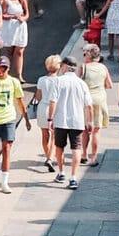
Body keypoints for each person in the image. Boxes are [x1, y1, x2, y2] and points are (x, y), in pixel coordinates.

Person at [0, 56, 30, 193]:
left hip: (9, 119)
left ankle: (4, 181)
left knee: (7, 148)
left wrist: (25, 118)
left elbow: (20, 101)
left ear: (8, 69)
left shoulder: (14, 82)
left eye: (4, 68)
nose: (1, 70)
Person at [46, 57, 92, 190]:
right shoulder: (81, 83)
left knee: (59, 146)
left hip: (61, 120)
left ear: (64, 66)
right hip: (77, 121)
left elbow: (53, 101)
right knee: (76, 148)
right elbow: (89, 105)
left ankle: (61, 172)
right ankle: (73, 177)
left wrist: (50, 119)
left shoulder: (58, 81)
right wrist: (90, 121)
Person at [80, 44, 113, 167]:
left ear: (88, 55)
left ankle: (84, 154)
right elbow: (109, 84)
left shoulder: (83, 68)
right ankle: (93, 157)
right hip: (100, 99)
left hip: (86, 101)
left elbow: (79, 84)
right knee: (96, 131)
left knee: (85, 130)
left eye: (84, 54)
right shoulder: (103, 68)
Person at [31, 55, 61, 172]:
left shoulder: (41, 80)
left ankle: (47, 156)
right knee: (54, 135)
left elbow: (38, 96)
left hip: (43, 108)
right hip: (55, 109)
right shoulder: (59, 80)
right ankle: (50, 158)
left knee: (44, 134)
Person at [0, 0, 30, 85]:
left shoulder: (22, 1)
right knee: (10, 52)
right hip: (10, 28)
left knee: (20, 51)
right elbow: (2, 15)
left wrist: (23, 18)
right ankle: (8, 73)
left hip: (20, 27)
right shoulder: (7, 1)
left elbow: (27, 14)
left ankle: (19, 75)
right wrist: (13, 16)